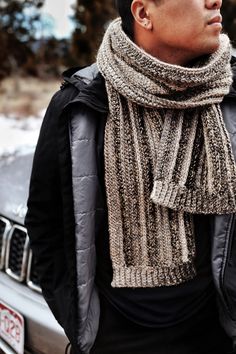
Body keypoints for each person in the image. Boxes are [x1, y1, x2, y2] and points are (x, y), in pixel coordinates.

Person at [25, 0, 236, 353]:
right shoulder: (80, 103)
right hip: (115, 339)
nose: (214, 1)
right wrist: (78, 320)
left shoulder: (231, 96)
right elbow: (46, 224)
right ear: (143, 14)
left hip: (215, 334)